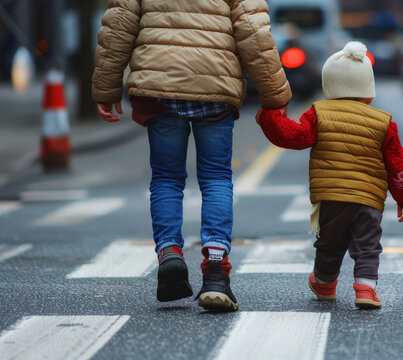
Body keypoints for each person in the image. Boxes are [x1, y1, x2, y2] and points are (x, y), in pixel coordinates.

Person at [92, 0, 291, 312]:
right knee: (215, 179)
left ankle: (170, 252)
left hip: (158, 85)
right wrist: (274, 95)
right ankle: (215, 267)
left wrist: (106, 87)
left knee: (167, 179)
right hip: (215, 82)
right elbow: (253, 30)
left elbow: (119, 24)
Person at [256, 42, 403, 309]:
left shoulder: (318, 113)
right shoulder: (384, 122)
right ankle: (366, 289)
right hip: (368, 200)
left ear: (328, 86)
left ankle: (325, 283)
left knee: (329, 243)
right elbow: (398, 165)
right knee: (368, 245)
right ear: (369, 91)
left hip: (331, 196)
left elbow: (292, 137)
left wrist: (270, 117)